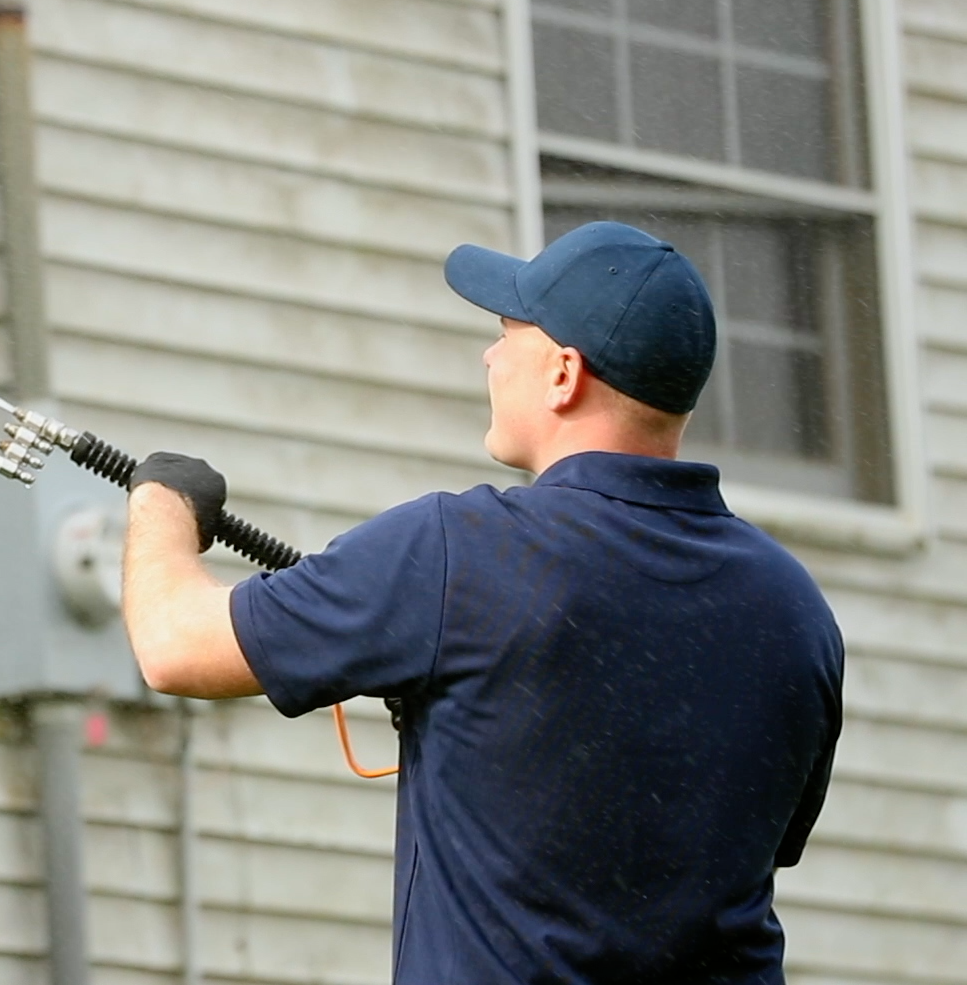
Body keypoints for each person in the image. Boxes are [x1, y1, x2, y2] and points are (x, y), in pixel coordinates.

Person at [121, 222, 844, 985]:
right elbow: (750, 839)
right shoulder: (794, 608)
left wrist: (162, 503)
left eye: (509, 332)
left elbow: (172, 645)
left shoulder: (458, 551)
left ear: (564, 373)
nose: (491, 356)